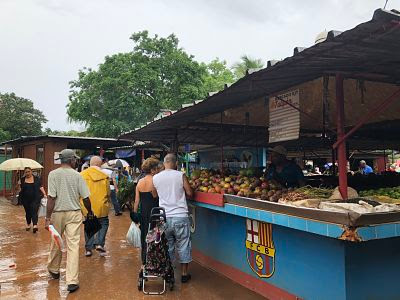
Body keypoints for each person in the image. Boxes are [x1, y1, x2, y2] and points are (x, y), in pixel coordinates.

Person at [45, 149, 91, 293]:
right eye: (75, 159)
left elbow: (51, 198)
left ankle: (53, 269)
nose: (76, 161)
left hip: (57, 213)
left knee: (56, 241)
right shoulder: (78, 176)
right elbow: (86, 198)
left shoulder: (53, 174)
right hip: (74, 214)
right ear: (71, 160)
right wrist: (90, 211)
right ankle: (72, 281)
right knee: (73, 246)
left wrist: (47, 218)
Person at [152, 154, 193, 283]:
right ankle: (184, 274)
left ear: (164, 163)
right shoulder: (180, 175)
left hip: (164, 217)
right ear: (175, 163)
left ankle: (169, 272)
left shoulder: (156, 177)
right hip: (180, 216)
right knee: (183, 244)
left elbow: (154, 195)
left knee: (168, 245)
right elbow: (190, 193)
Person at [131, 157, 160, 271]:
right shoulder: (154, 181)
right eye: (156, 169)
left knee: (145, 237)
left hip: (143, 213)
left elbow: (136, 201)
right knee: (156, 237)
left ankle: (144, 262)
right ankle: (155, 261)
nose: (158, 170)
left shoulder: (140, 182)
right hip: (155, 213)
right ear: (152, 170)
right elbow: (155, 196)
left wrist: (134, 216)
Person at [81, 156, 111, 257]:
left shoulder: (82, 175)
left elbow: (79, 192)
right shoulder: (105, 175)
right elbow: (108, 192)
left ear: (90, 163)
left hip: (87, 205)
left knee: (89, 225)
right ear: (100, 164)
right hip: (102, 205)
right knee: (104, 223)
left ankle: (88, 250)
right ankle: (99, 243)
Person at [18, 167, 47, 233]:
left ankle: (35, 225)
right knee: (28, 212)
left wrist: (44, 193)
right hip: (25, 199)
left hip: (36, 198)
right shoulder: (22, 180)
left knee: (34, 210)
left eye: (28, 171)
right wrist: (18, 184)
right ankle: (28, 224)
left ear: (31, 171)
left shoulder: (36, 179)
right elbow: (18, 189)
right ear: (24, 173)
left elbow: (40, 186)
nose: (27, 173)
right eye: (26, 172)